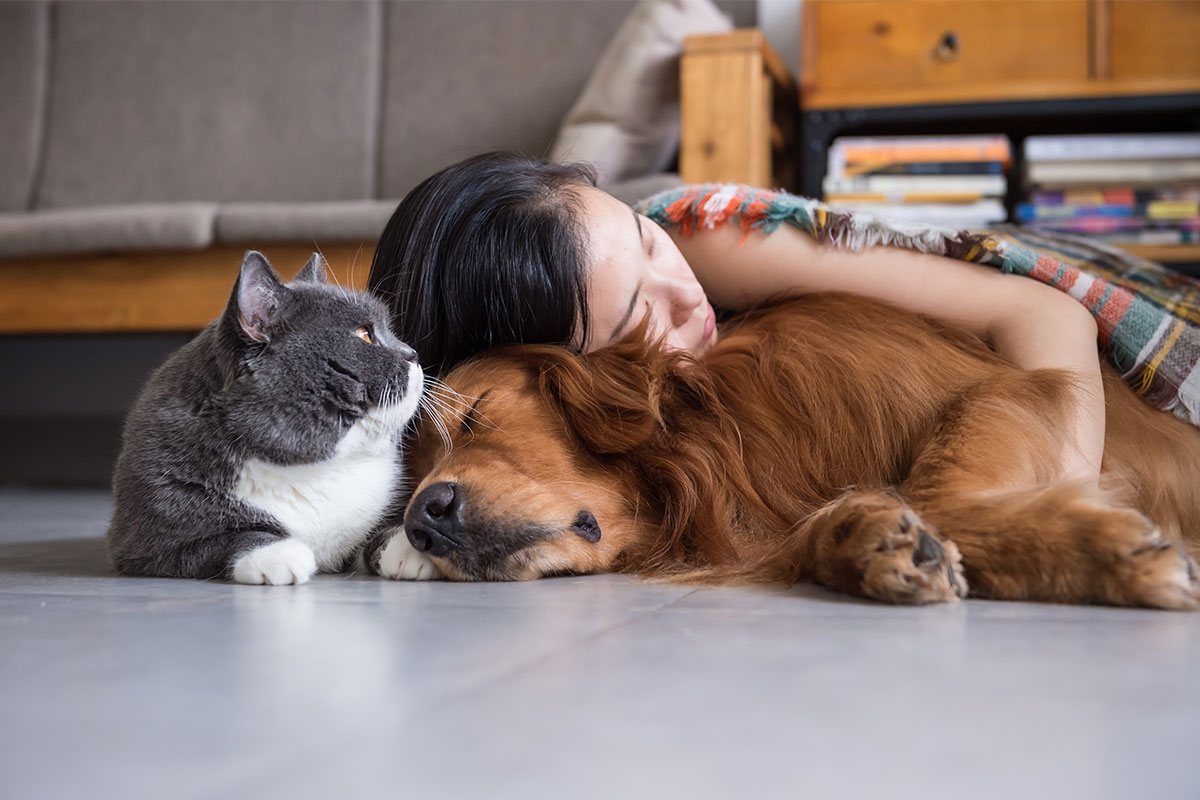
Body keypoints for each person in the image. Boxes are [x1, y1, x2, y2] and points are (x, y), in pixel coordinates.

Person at [368, 152, 1104, 483]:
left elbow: (1041, 308)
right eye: (633, 318)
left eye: (645, 242)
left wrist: (1065, 494)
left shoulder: (714, 242)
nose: (684, 295)